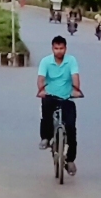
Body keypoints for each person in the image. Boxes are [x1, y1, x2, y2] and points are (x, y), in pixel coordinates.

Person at [37, 34, 82, 176]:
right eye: (56, 48)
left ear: (65, 49)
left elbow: (75, 76)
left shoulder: (71, 60)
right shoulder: (45, 61)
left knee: (71, 127)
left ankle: (70, 160)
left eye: (61, 48)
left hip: (67, 97)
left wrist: (75, 90)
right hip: (50, 95)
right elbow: (41, 78)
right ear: (52, 48)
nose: (59, 51)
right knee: (46, 115)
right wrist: (42, 90)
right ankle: (45, 138)